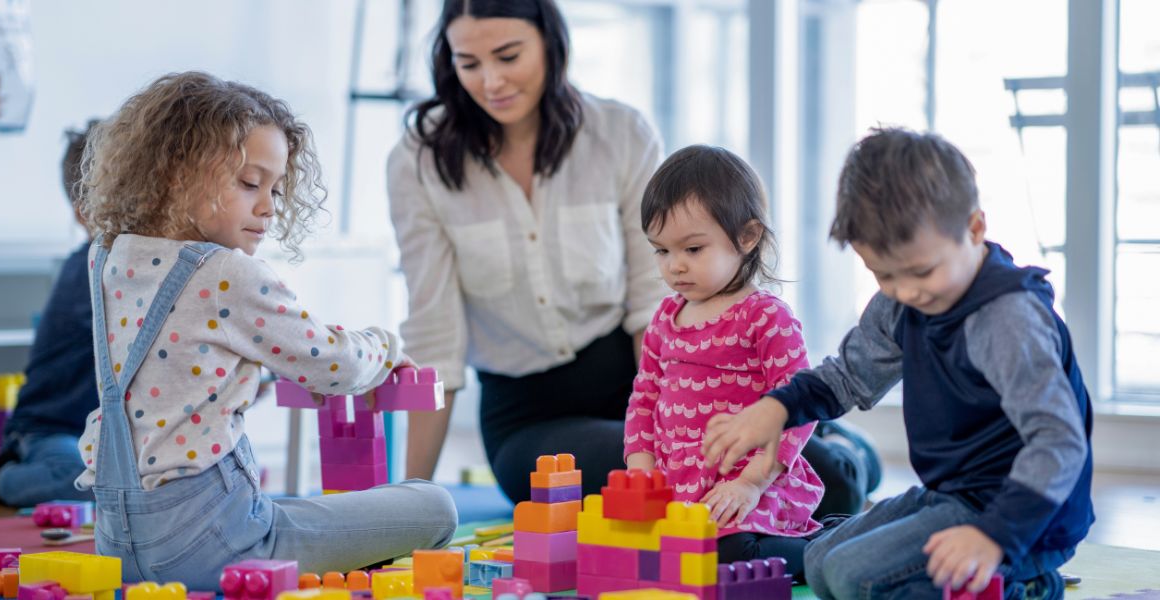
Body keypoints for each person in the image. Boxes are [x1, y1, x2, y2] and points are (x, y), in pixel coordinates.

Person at [388, 0, 880, 511]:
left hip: (646, 381)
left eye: (508, 56)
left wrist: (681, 424)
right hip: (530, 418)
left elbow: (655, 296)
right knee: (657, 493)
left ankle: (846, 452)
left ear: (550, 45)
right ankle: (831, 450)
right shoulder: (416, 162)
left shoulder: (619, 133)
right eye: (468, 63)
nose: (491, 81)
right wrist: (408, 503)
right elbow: (434, 337)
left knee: (824, 478)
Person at [74, 72, 456, 589]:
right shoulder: (225, 272)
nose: (269, 206)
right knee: (435, 505)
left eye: (275, 188)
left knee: (296, 507)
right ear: (174, 174)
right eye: (250, 183)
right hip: (218, 546)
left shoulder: (108, 257)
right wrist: (385, 348)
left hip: (116, 543)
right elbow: (332, 364)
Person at [702, 127, 1092, 600]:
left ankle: (1023, 584)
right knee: (822, 563)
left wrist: (994, 536)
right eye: (883, 275)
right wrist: (776, 409)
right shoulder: (904, 301)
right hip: (954, 494)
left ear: (974, 229)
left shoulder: (1007, 319)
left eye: (921, 272)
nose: (905, 291)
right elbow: (847, 377)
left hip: (1022, 515)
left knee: (854, 578)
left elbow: (1059, 442)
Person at [624, 145, 823, 574]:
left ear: (747, 237)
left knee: (729, 555)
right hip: (682, 491)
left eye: (693, 249)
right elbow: (644, 398)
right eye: (660, 251)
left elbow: (800, 407)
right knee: (646, 556)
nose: (674, 266)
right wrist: (640, 472)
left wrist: (751, 482)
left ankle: (833, 550)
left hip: (752, 485)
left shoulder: (765, 317)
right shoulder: (664, 318)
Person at [0, 122, 101, 507]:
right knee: (80, 481)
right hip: (49, 432)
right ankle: (2, 479)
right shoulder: (86, 271)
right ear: (84, 215)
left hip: (98, 440)